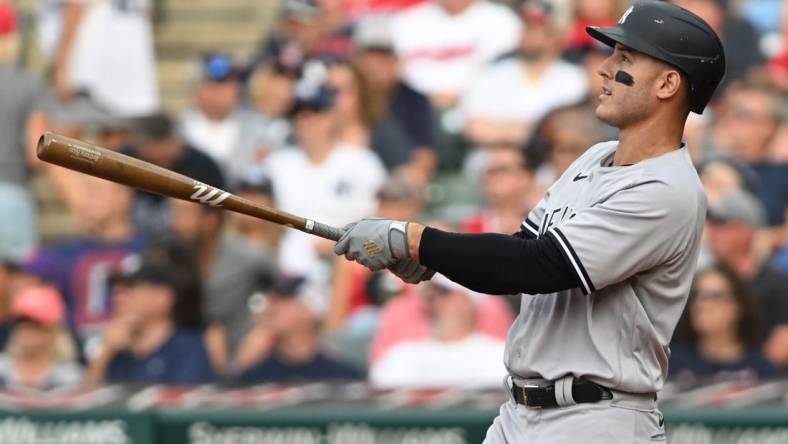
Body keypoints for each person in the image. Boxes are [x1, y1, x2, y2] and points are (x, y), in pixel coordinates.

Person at [334, 2, 725, 442]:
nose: (604, 68)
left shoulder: (666, 187)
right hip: (519, 413)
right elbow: (517, 249)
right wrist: (437, 259)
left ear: (668, 83)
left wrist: (417, 240)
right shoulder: (593, 158)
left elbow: (537, 266)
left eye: (624, 59)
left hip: (596, 418)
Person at [460, 1, 588, 149]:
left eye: (537, 28)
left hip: (547, 161)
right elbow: (473, 128)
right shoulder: (494, 72)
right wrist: (529, 130)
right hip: (492, 158)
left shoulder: (573, 78)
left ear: (555, 36)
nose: (528, 34)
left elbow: (565, 131)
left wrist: (502, 127)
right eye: (526, 26)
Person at [86, 252, 213, 385]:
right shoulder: (117, 351)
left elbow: (187, 401)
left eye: (130, 289)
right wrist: (106, 351)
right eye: (116, 291)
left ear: (162, 298)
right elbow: (87, 399)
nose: (118, 298)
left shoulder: (188, 349)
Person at [370, 274, 508, 389]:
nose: (432, 300)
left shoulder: (500, 358)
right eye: (429, 294)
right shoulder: (401, 355)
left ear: (469, 302)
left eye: (443, 293)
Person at [124, 113, 224, 238]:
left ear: (178, 142)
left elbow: (214, 218)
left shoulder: (203, 167)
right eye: (155, 146)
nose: (161, 153)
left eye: (167, 144)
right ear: (139, 146)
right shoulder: (123, 163)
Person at [670, 266, 778, 382]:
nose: (701, 304)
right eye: (696, 295)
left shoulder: (761, 369)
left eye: (715, 296)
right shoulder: (672, 363)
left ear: (738, 306)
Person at [235, 287, 363, 384]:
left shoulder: (343, 377)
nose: (273, 307)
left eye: (285, 299)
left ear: (308, 311)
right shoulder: (256, 375)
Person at [179, 53, 272, 185]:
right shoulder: (178, 133)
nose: (227, 91)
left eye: (232, 83)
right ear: (196, 89)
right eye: (216, 85)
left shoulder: (262, 128)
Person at [0, 286, 82, 390]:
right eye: (21, 322)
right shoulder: (2, 369)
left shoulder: (69, 376)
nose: (26, 330)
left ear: (53, 331)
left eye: (35, 324)